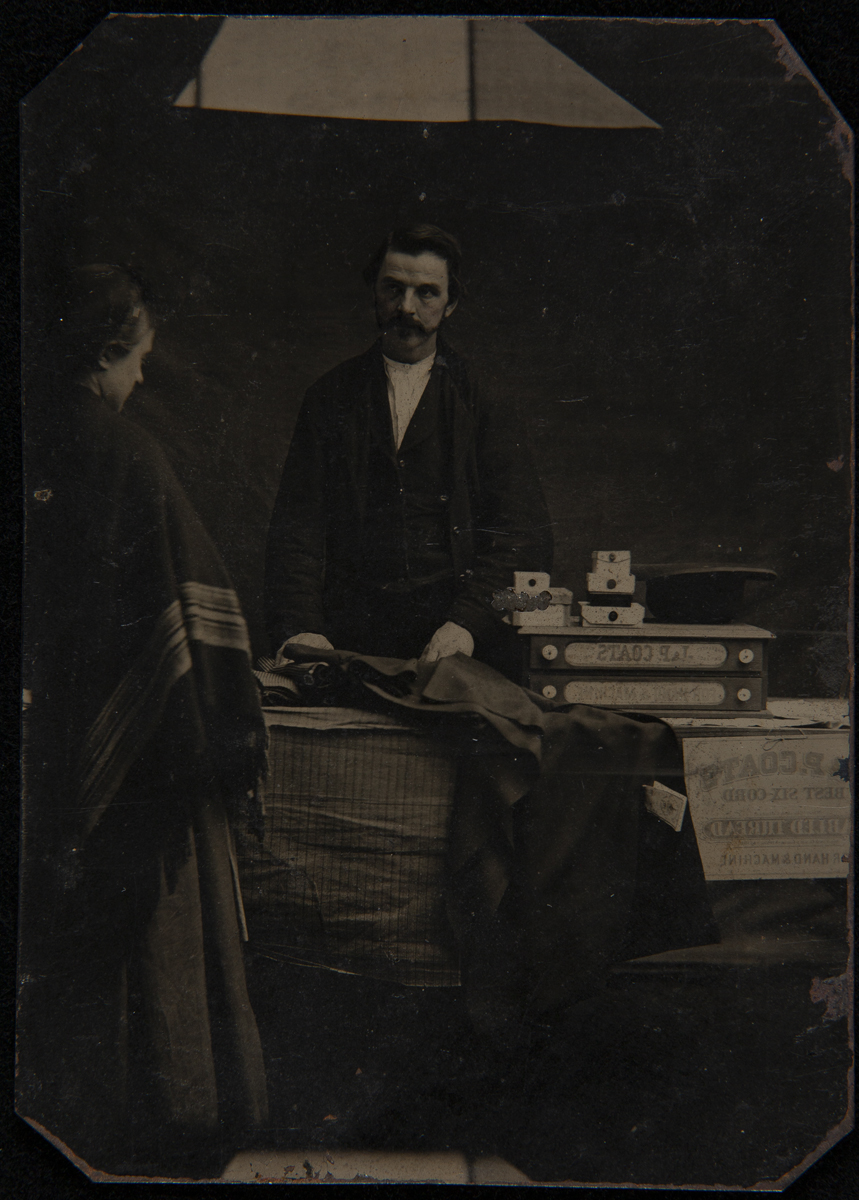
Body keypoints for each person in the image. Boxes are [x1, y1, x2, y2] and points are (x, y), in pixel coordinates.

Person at [19, 265, 268, 1175]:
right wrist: (229, 722)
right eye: (138, 358)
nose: (142, 379)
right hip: (143, 757)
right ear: (102, 353)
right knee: (148, 928)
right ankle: (167, 1111)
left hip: (48, 739)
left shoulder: (38, 438)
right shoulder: (126, 454)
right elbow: (192, 620)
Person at [264, 224, 553, 672]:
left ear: (451, 303)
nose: (406, 308)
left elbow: (528, 541)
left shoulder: (485, 400)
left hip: (457, 642)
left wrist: (470, 624)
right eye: (393, 289)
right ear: (373, 293)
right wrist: (301, 626)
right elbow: (295, 532)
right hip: (349, 636)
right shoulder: (329, 396)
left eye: (427, 293)